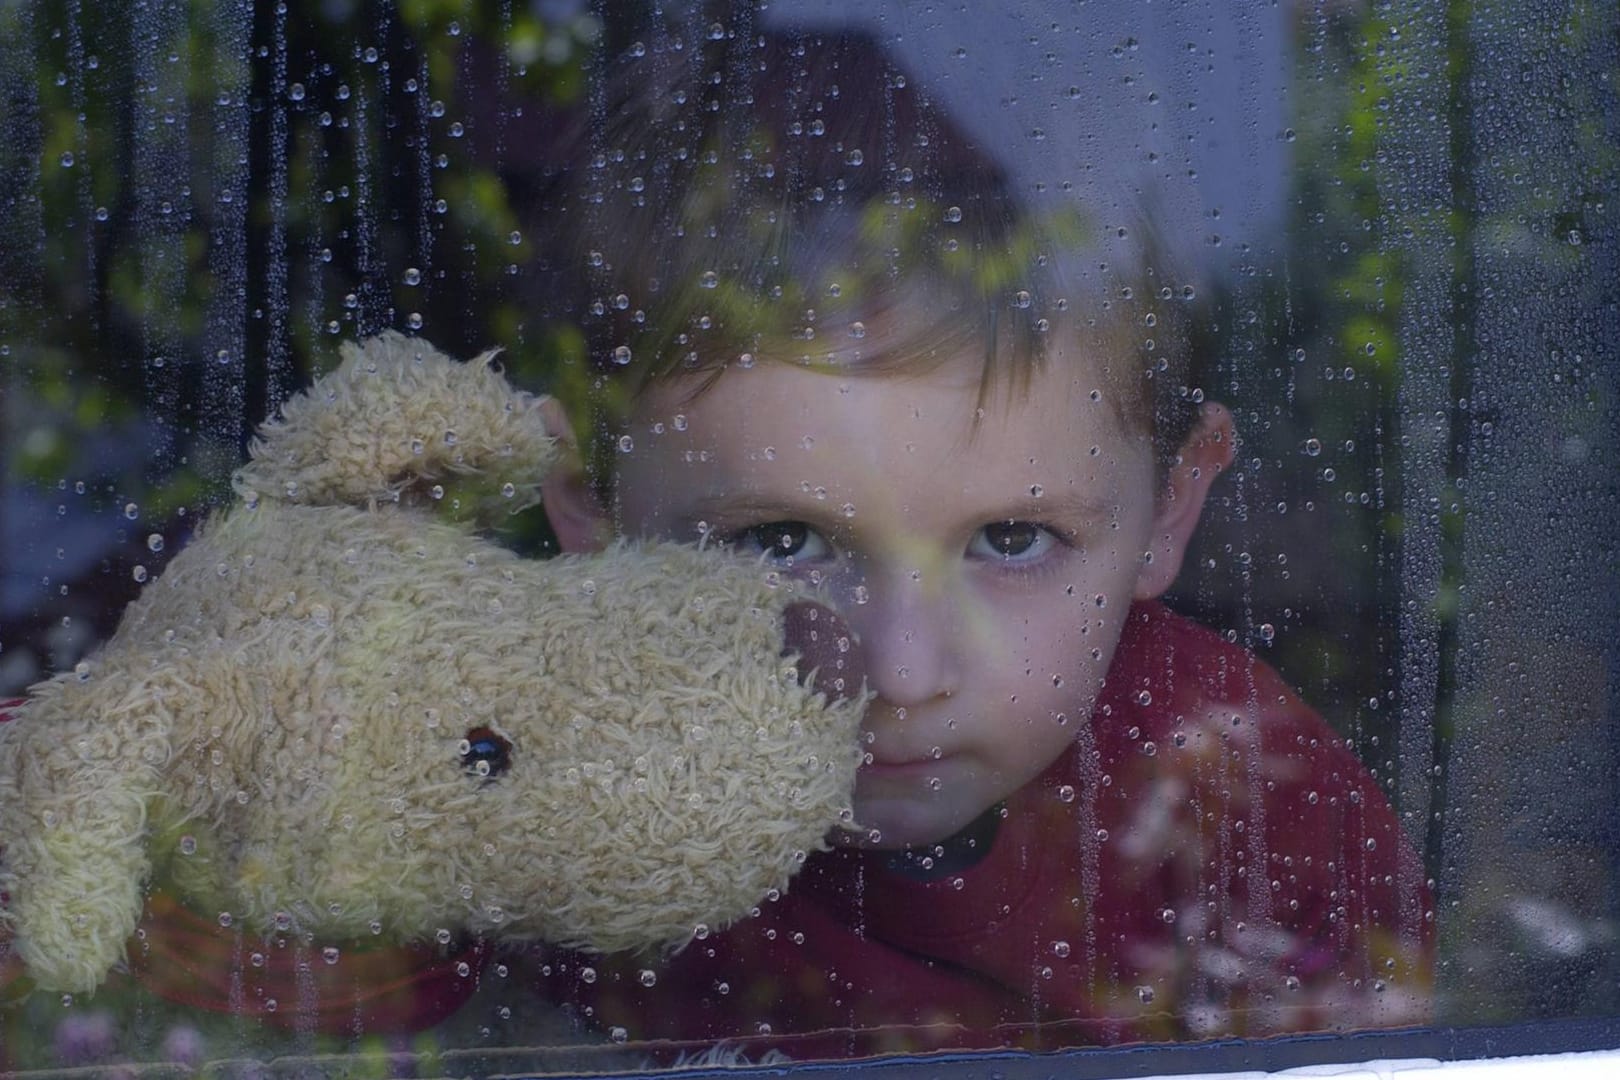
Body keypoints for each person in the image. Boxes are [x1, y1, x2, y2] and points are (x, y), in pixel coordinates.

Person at [520, 27, 1435, 1061]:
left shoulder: (1239, 797)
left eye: (1011, 539)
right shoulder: (534, 767)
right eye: (779, 541)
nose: (902, 672)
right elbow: (365, 989)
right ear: (589, 517)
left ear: (1170, 510)